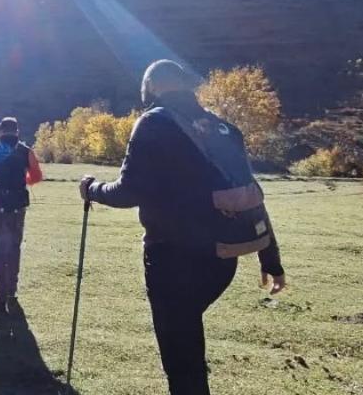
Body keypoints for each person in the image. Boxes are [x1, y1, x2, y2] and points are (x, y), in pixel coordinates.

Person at [79, 60, 287, 395]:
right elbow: (250, 196)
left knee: (181, 356)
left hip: (172, 258)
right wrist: (270, 260)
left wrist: (91, 189)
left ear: (152, 88)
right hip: (222, 258)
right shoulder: (224, 129)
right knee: (188, 336)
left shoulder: (152, 123)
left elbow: (129, 192)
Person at [0, 117, 43, 313]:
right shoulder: (26, 151)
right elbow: (36, 176)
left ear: (0, 131)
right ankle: (12, 292)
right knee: (14, 248)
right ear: (17, 131)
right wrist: (23, 179)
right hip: (17, 208)